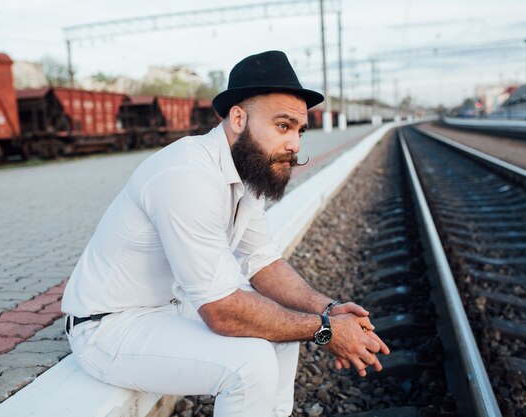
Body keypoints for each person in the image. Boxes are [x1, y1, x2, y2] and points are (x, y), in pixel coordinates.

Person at [61, 50, 389, 417]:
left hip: (170, 308)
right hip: (109, 327)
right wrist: (327, 330)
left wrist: (326, 310)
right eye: (283, 126)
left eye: (299, 130)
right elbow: (220, 311)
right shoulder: (186, 175)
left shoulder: (246, 173)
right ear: (238, 118)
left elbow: (263, 263)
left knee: (284, 331)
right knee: (250, 365)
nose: (295, 144)